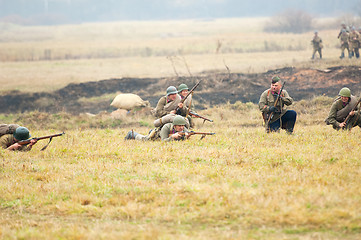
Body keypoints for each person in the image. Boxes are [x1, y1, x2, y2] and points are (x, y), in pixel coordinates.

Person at [125, 115, 190, 142]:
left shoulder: (183, 129)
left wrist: (187, 137)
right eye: (179, 126)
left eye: (182, 125)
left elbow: (184, 136)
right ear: (174, 126)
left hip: (162, 135)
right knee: (144, 139)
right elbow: (163, 141)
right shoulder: (167, 127)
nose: (182, 127)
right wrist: (172, 137)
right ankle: (131, 134)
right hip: (156, 136)